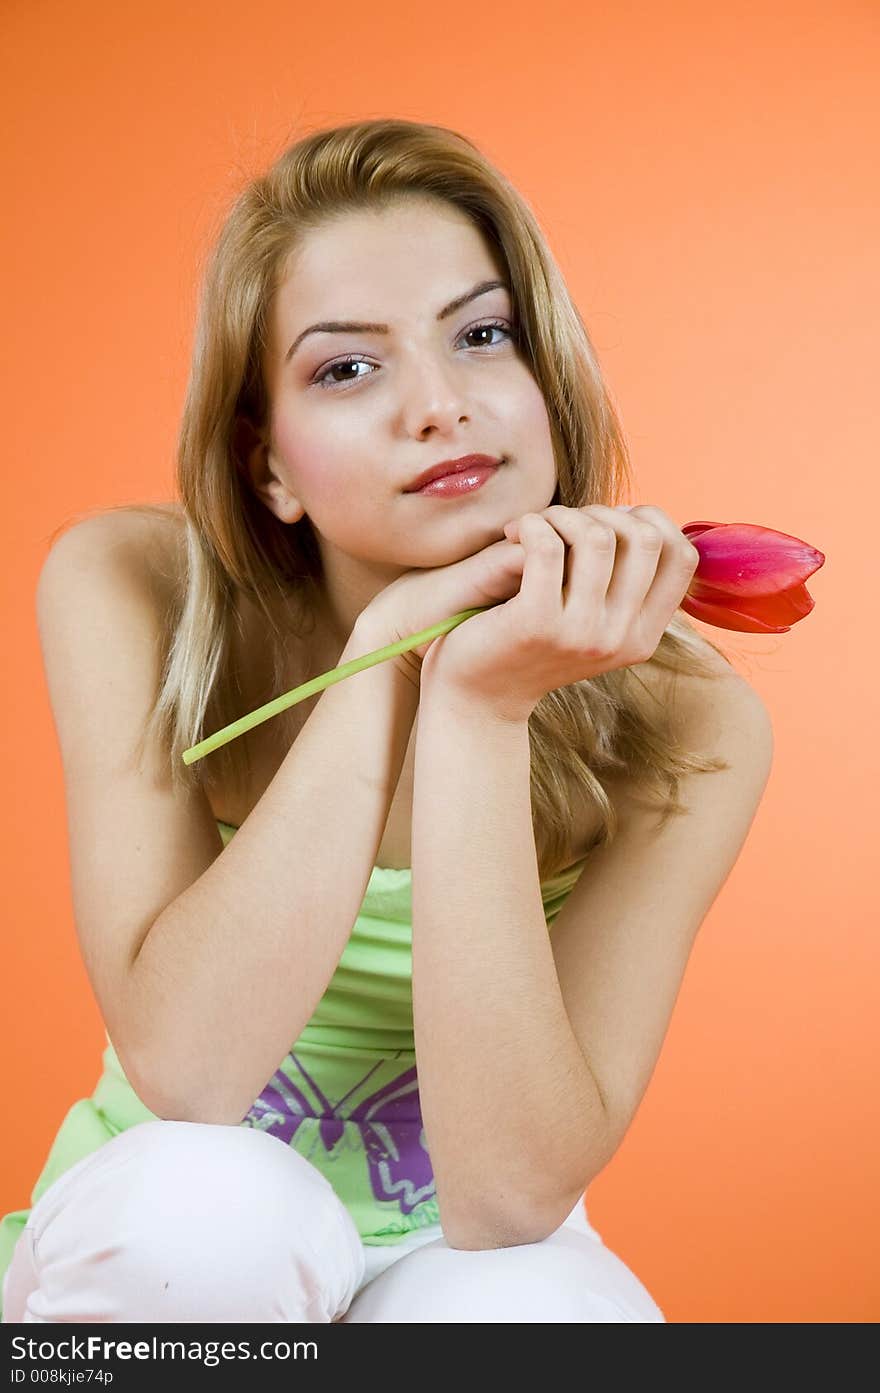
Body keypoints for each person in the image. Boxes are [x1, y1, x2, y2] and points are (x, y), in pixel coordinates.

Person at [1, 117, 773, 1324]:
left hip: (454, 1256)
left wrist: (477, 702)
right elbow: (191, 1076)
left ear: (546, 381)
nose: (440, 405)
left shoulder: (691, 718)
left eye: (481, 336)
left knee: (545, 1314)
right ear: (270, 471)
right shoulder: (133, 585)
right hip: (162, 1247)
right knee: (211, 1213)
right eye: (345, 367)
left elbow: (509, 1197)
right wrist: (382, 661)